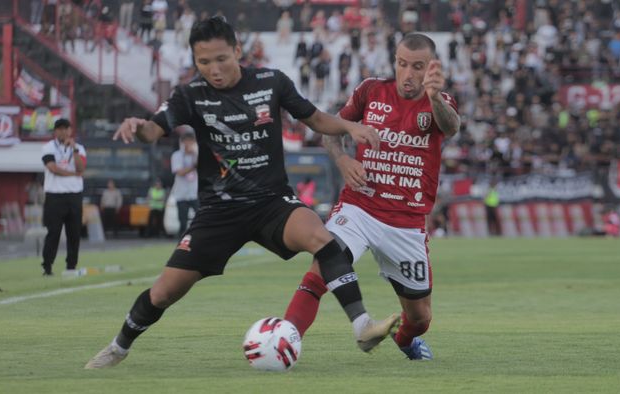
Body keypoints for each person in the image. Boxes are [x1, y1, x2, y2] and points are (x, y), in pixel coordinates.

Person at [85, 16, 397, 369]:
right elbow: (153, 132)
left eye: (221, 59)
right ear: (194, 60)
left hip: (271, 202)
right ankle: (118, 348)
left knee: (323, 239)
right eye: (204, 62)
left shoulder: (271, 82)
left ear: (237, 51)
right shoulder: (190, 95)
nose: (214, 70)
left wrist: (350, 126)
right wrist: (137, 126)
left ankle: (362, 326)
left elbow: (314, 118)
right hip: (220, 211)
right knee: (164, 292)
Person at [282, 33, 460, 361]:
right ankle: (284, 338)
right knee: (324, 262)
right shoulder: (371, 90)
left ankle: (406, 342)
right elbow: (331, 130)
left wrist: (434, 97)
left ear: (431, 67)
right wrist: (343, 160)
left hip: (406, 223)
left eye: (417, 67)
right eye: (402, 64)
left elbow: (451, 127)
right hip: (360, 206)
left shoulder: (440, 102)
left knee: (420, 318)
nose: (408, 74)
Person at [40, 118, 87, 276]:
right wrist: (73, 174)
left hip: (74, 195)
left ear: (70, 130)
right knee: (53, 232)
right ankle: (47, 266)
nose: (63, 132)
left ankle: (71, 266)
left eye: (66, 128)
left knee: (74, 233)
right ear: (55, 131)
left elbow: (81, 167)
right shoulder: (48, 147)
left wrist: (74, 150)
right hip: (55, 196)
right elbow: (52, 168)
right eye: (60, 129)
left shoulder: (79, 148)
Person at [170, 130, 199, 237]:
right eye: (187, 141)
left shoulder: (196, 155)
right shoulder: (176, 155)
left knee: (200, 217)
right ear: (182, 143)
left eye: (191, 142)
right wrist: (193, 166)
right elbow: (180, 172)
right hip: (181, 194)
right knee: (182, 221)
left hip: (195, 192)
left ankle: (197, 238)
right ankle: (182, 242)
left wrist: (195, 154)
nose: (189, 144)